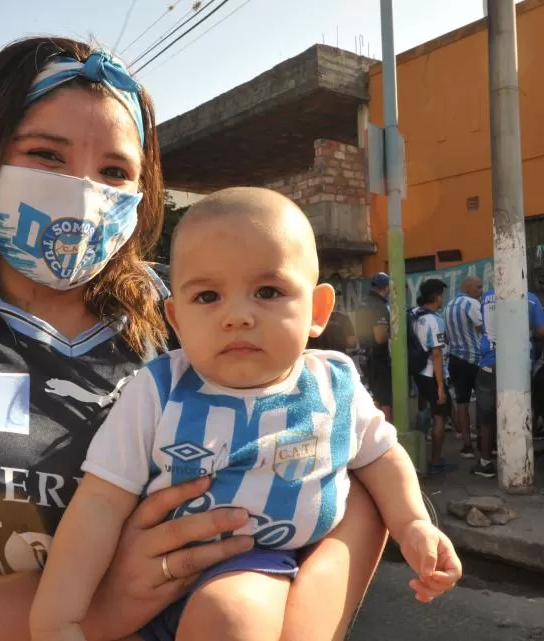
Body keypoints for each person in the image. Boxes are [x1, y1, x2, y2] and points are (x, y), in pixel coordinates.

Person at [0, 38, 388, 641]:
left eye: (115, 170)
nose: (83, 191)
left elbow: (347, 478)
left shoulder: (195, 313)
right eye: (46, 155)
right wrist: (95, 606)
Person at [30, 189, 462, 641]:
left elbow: (380, 456)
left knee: (231, 615)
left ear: (317, 311)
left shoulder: (333, 383)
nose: (237, 316)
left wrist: (413, 523)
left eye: (268, 291)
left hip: (255, 563)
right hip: (145, 578)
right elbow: (100, 501)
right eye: (208, 296)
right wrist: (58, 617)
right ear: (176, 321)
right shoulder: (158, 389)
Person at [472, 285, 544, 479]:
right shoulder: (530, 299)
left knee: (486, 418)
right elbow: (543, 330)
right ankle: (518, 459)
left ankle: (485, 461)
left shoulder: (486, 298)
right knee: (520, 413)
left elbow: (480, 324)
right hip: (519, 367)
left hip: (489, 364)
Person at [410, 279, 451, 474]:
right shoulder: (434, 320)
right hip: (431, 374)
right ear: (437, 297)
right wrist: (441, 386)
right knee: (439, 418)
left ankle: (418, 455)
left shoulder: (415, 315)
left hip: (418, 372)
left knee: (424, 411)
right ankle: (435, 461)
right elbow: (437, 353)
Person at [442, 276, 484, 458]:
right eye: (479, 287)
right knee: (484, 402)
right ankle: (485, 443)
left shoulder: (448, 306)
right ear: (468, 287)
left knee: (462, 403)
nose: (481, 290)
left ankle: (467, 445)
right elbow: (482, 327)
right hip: (474, 359)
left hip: (455, 359)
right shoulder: (472, 304)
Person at [357, 272, 392, 420]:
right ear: (387, 287)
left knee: (375, 398)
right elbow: (380, 337)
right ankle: (386, 436)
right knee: (385, 401)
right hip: (379, 358)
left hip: (365, 356)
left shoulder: (363, 303)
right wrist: (393, 334)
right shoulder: (379, 306)